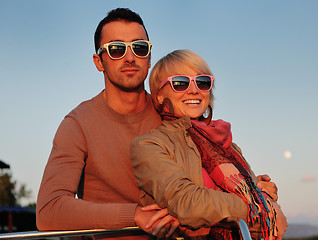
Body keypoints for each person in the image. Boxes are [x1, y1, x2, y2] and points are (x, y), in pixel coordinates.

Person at [36, 7, 279, 239]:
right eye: (116, 49)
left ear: (149, 57)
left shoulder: (174, 111)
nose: (130, 57)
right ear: (99, 61)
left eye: (139, 48)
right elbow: (49, 209)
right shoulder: (78, 124)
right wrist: (133, 215)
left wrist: (254, 187)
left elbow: (211, 171)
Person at [131, 49, 288, 239]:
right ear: (159, 95)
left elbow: (256, 193)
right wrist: (261, 206)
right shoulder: (150, 145)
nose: (194, 90)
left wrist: (266, 193)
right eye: (180, 83)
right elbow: (186, 202)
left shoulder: (227, 144)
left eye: (202, 82)